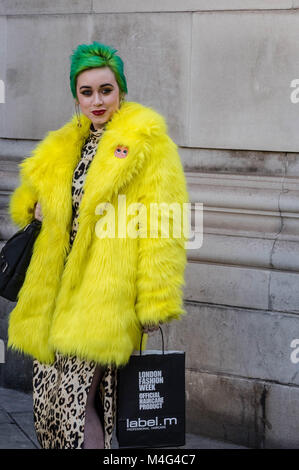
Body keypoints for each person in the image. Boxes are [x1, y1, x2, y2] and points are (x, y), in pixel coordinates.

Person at [7, 41, 189, 449]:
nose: (97, 100)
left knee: (76, 408)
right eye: (87, 92)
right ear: (76, 95)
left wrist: (154, 300)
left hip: (105, 294)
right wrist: (36, 208)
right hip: (53, 293)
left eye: (106, 90)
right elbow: (26, 205)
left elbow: (165, 226)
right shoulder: (63, 145)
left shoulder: (147, 143)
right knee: (51, 406)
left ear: (121, 90)